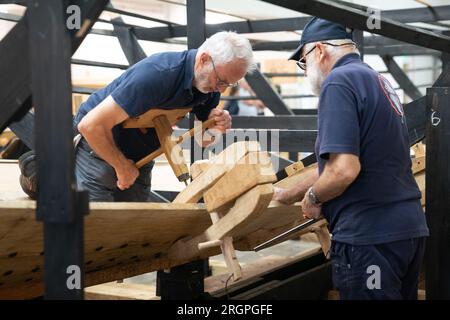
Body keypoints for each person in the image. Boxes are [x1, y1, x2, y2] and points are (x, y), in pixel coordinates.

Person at [273, 17, 429, 300]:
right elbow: (338, 164)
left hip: (369, 237)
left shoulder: (338, 82)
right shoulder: (376, 79)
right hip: (406, 232)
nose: (306, 70)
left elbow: (344, 171)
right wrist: (288, 194)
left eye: (304, 61)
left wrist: (313, 198)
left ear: (318, 51)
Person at [74, 31, 256, 202]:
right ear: (204, 60)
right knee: (97, 223)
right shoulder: (157, 74)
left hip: (141, 156)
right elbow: (90, 126)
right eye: (221, 80)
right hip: (99, 146)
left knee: (133, 222)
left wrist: (215, 129)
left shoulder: (209, 88)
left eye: (230, 84)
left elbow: (203, 140)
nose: (222, 89)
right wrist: (121, 166)